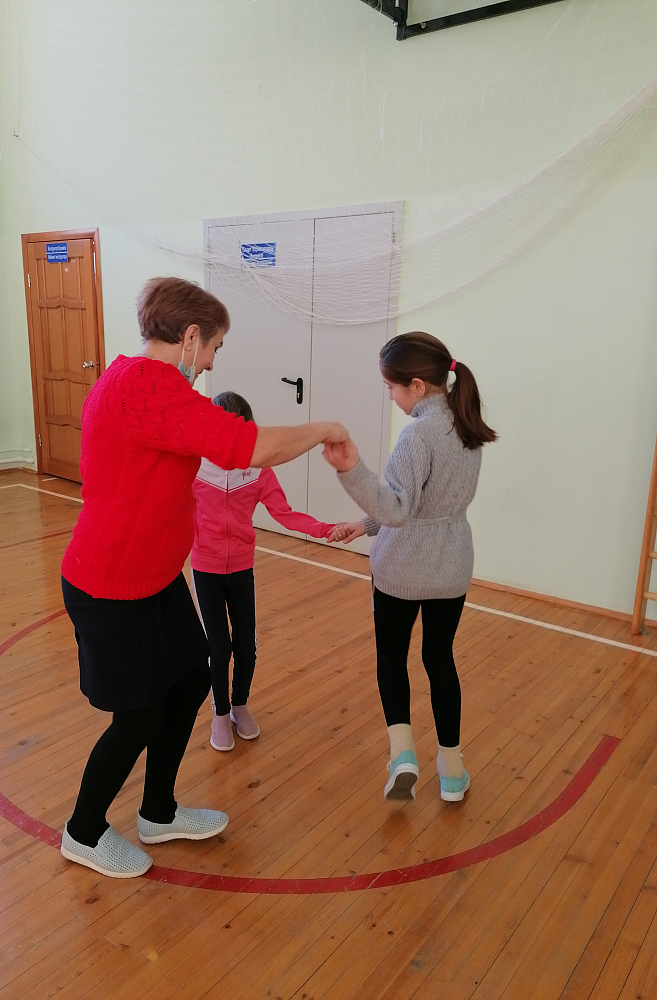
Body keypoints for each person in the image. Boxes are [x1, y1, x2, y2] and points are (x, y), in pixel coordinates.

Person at [59, 276, 350, 878]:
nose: (213, 362)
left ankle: (158, 812)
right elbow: (251, 448)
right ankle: (83, 831)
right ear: (190, 336)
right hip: (110, 584)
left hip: (156, 579)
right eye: (215, 346)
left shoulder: (137, 380)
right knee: (138, 716)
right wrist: (326, 429)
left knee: (193, 676)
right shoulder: (149, 388)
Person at [324, 332, 496, 804]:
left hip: (402, 569)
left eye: (391, 387)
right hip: (452, 565)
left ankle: (402, 754)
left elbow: (400, 510)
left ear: (417, 386)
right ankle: (452, 771)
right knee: (440, 660)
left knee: (392, 658)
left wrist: (351, 470)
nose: (390, 396)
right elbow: (425, 505)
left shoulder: (416, 435)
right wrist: (363, 525)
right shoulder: (466, 425)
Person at [191, 391, 336, 752]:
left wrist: (324, 529)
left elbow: (284, 514)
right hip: (206, 568)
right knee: (219, 648)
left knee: (246, 646)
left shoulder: (258, 469)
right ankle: (220, 713)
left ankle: (239, 704)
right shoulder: (195, 467)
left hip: (241, 568)